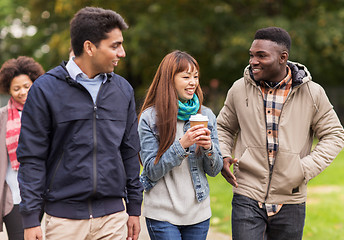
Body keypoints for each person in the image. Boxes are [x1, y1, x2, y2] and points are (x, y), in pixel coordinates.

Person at [16, 7, 143, 240]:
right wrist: (31, 218)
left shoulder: (123, 90)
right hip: (64, 221)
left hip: (113, 217)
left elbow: (129, 152)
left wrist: (134, 207)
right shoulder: (45, 90)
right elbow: (32, 157)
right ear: (89, 47)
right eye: (115, 46)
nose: (122, 53)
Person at [217, 27, 344, 240]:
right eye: (251, 55)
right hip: (247, 194)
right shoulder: (239, 89)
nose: (253, 61)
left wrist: (303, 169)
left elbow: (334, 134)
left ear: (282, 58)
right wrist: (223, 154)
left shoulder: (313, 93)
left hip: (291, 199)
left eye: (261, 55)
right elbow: (224, 127)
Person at [138, 50, 223, 240]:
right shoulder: (150, 118)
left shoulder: (206, 116)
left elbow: (215, 170)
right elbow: (151, 171)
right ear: (169, 79)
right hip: (162, 215)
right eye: (186, 77)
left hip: (198, 215)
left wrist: (209, 148)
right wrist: (182, 145)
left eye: (195, 76)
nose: (193, 82)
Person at [0, 56, 44, 240]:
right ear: (8, 89)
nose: (22, 92)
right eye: (16, 88)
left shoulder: (45, 113)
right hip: (13, 194)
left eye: (27, 86)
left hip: (41, 191)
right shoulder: (2, 116)